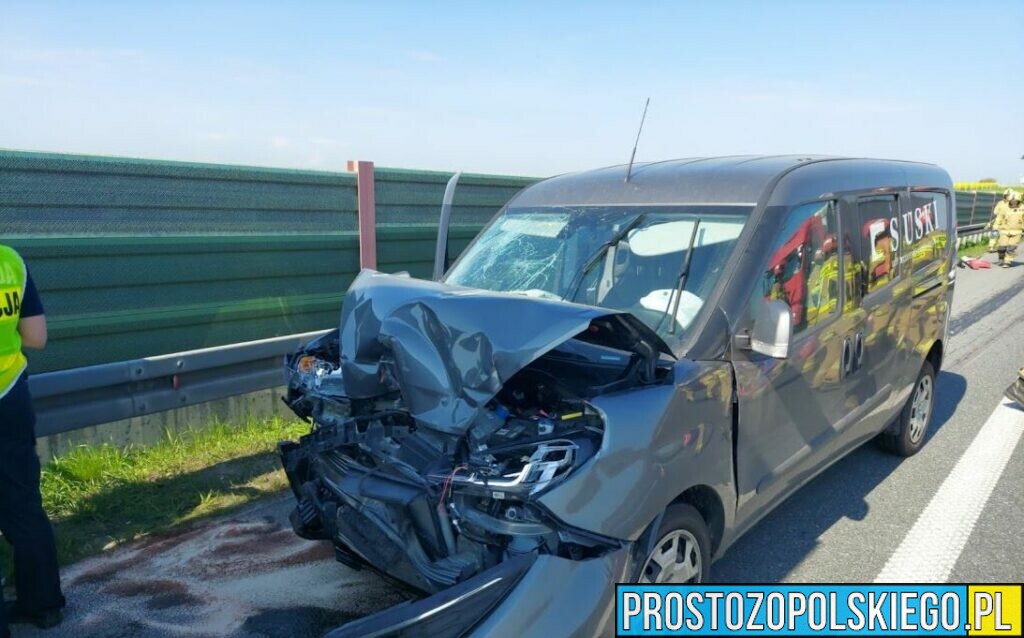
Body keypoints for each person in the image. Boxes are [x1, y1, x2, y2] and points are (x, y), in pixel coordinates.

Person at [0, 244, 65, 632]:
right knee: (23, 501)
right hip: (10, 396)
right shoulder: (10, 262)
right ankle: (43, 604)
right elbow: (36, 337)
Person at [992, 190, 1024, 268]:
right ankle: (1001, 257)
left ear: (1019, 201)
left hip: (1017, 232)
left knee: (1011, 248)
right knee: (1002, 247)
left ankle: (1007, 261)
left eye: (1015, 201)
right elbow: (999, 217)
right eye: (1012, 200)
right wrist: (996, 226)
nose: (1013, 202)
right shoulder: (1004, 208)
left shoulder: (1023, 208)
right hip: (1004, 230)